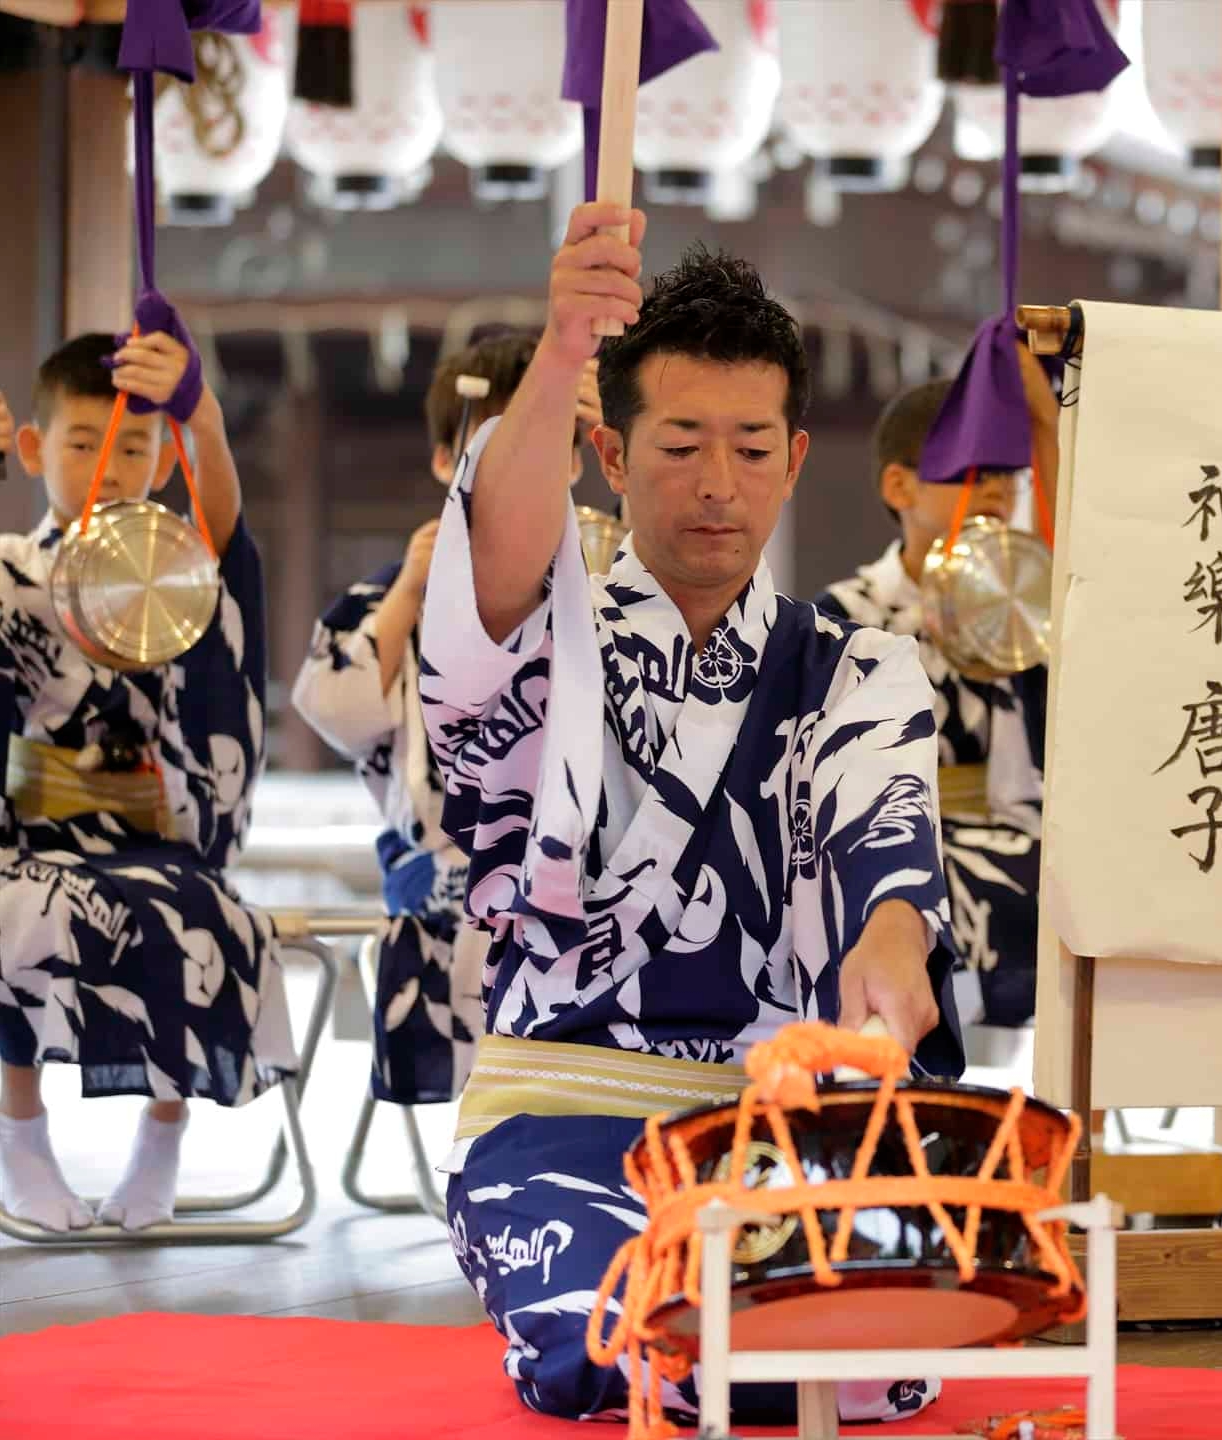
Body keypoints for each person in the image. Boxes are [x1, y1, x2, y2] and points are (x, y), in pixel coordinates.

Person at [417, 207, 960, 1427]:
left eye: (752, 447)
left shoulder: (861, 667)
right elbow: (493, 576)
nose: (720, 484)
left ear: (797, 455)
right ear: (610, 454)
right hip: (568, 1112)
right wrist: (561, 353)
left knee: (875, 1360)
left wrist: (894, 945)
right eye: (680, 443)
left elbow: (889, 850)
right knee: (619, 1336)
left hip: (783, 1126)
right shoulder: (554, 643)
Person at [0, 330, 281, 1232]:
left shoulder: (177, 567)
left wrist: (201, 414)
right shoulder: (10, 569)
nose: (111, 465)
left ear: (163, 460)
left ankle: (163, 1140)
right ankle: (22, 1136)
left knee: (202, 916)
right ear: (34, 448)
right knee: (17, 913)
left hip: (157, 836)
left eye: (133, 444)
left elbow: (227, 538)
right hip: (25, 835)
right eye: (85, 442)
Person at [291, 333, 598, 1107]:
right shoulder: (381, 599)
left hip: (584, 882)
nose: (511, 468)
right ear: (443, 458)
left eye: (541, 443)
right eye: (489, 444)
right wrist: (408, 594)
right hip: (442, 892)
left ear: (575, 458)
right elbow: (338, 714)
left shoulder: (604, 577)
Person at [812, 363, 1058, 1030]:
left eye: (1009, 475)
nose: (997, 494)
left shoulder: (1031, 611)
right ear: (900, 485)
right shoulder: (843, 613)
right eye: (973, 472)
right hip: (899, 842)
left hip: (1020, 829)